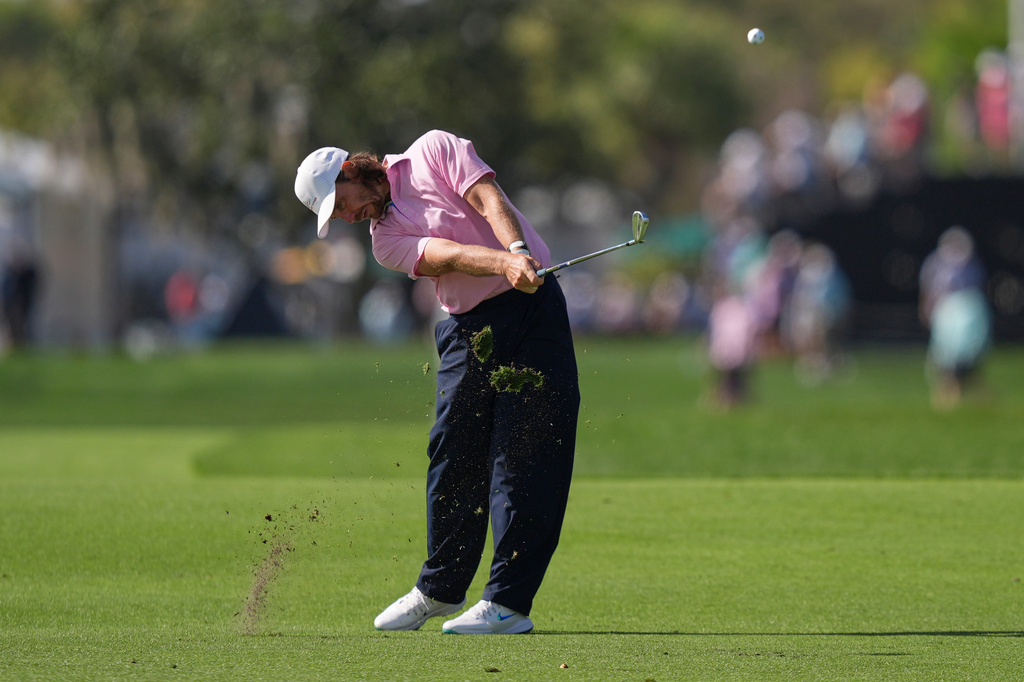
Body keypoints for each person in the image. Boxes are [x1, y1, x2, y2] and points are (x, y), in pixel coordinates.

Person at [294, 130, 580, 635]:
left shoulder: (433, 150)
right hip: (467, 330)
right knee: (452, 450)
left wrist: (516, 248)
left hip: (534, 313)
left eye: (340, 205)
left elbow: (485, 196)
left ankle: (507, 603)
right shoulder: (384, 242)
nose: (345, 218)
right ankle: (440, 589)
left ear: (348, 173)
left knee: (526, 452)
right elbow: (444, 254)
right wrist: (503, 261)